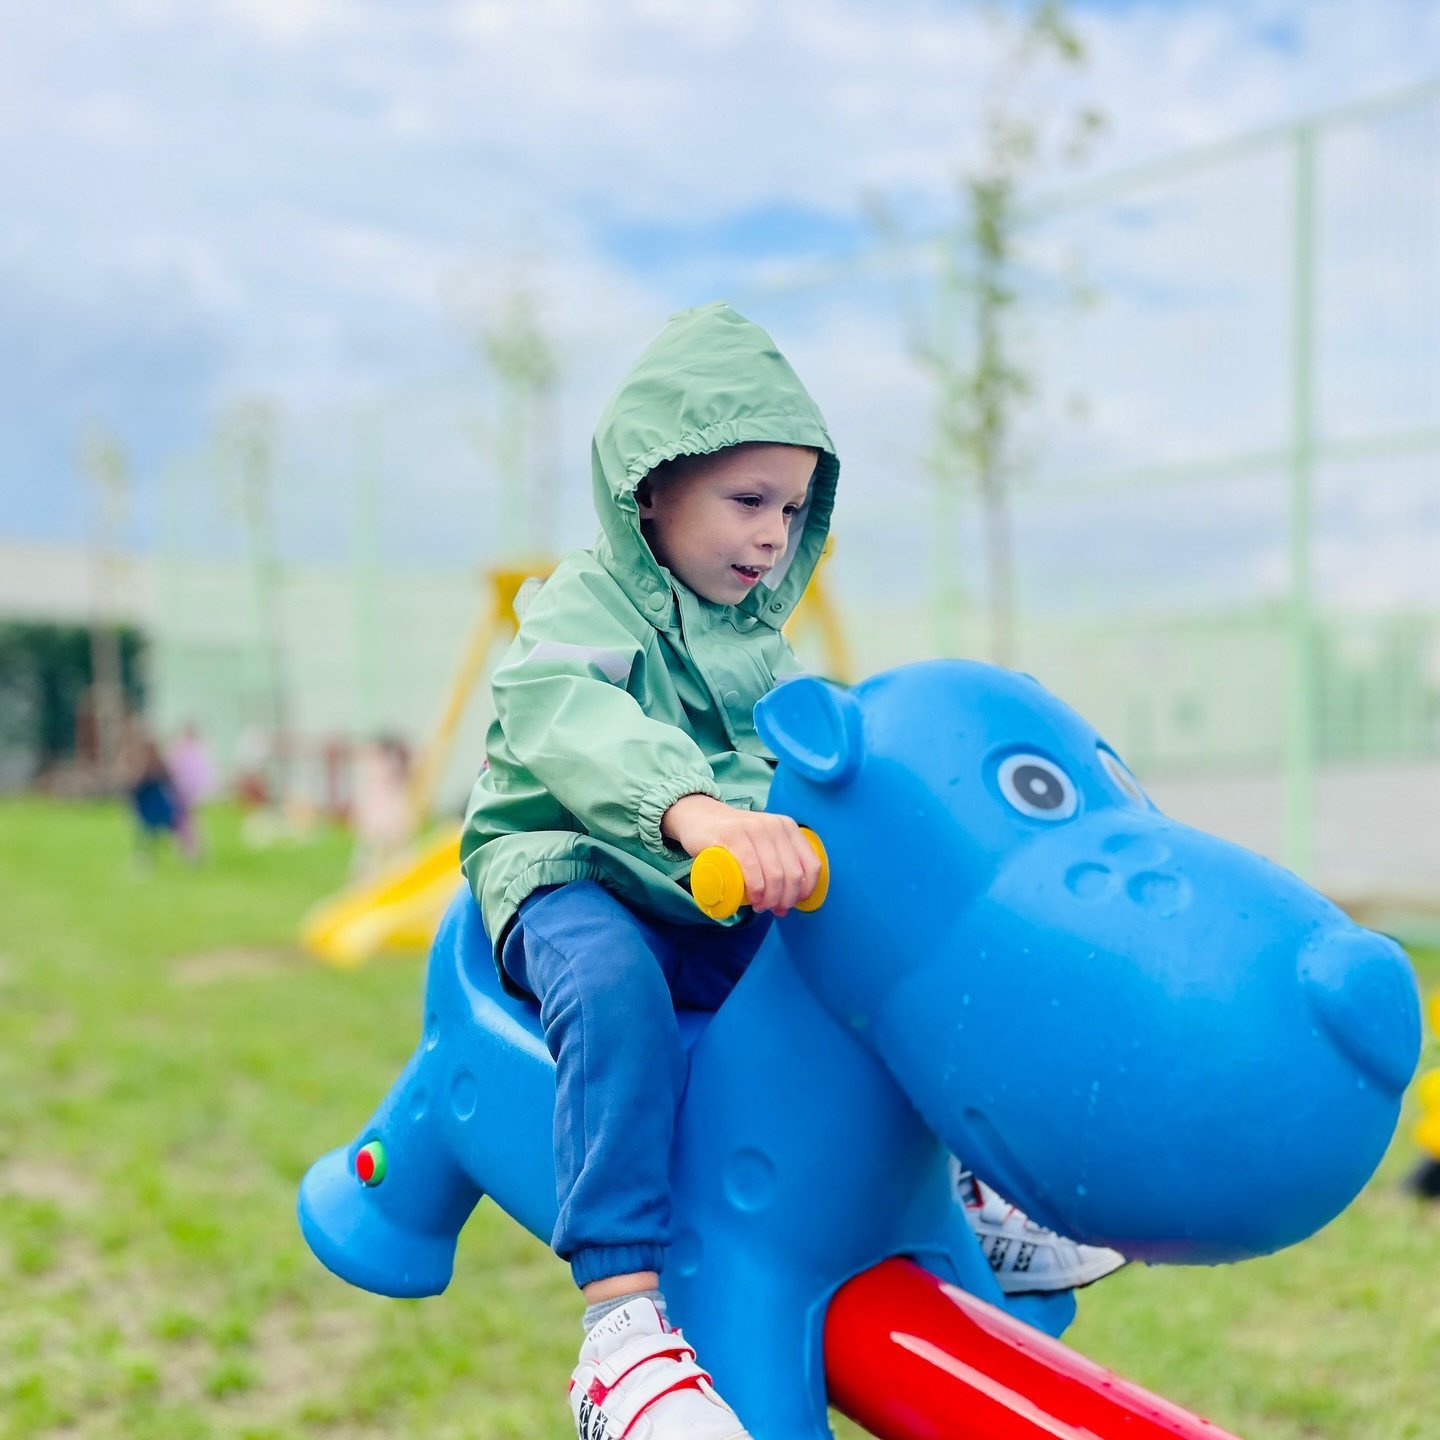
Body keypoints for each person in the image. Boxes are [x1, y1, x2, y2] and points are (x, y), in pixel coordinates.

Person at [461, 302, 1119, 1440]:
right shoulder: (581, 602)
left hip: (702, 888)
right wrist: (697, 808)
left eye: (795, 510)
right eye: (748, 500)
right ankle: (619, 1333)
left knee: (871, 957)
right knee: (612, 985)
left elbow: (800, 779)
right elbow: (564, 716)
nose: (773, 536)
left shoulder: (760, 644)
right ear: (653, 489)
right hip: (573, 864)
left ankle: (969, 1184)